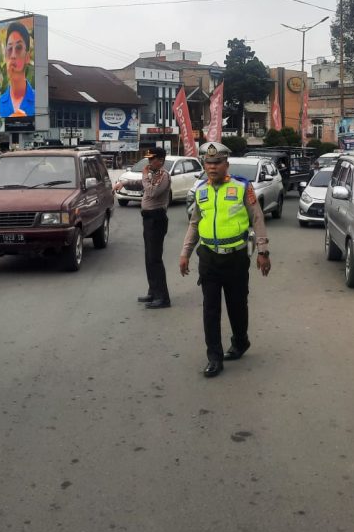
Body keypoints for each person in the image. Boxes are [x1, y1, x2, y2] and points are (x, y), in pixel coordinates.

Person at [179, 141, 271, 378]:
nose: (212, 167)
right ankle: (214, 357)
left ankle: (241, 341)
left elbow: (257, 218)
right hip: (209, 258)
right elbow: (194, 224)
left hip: (236, 258)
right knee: (210, 310)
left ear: (226, 164)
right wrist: (185, 253)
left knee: (237, 306)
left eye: (217, 163)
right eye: (208, 163)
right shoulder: (200, 189)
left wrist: (262, 252)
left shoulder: (243, 187)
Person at [114, 147, 173, 309]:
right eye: (148, 159)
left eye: (151, 159)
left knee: (155, 258)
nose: (148, 162)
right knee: (149, 258)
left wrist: (145, 176)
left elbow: (152, 191)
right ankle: (153, 291)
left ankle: (163, 298)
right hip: (148, 219)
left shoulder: (164, 176)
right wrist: (124, 183)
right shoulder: (152, 175)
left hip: (157, 219)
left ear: (160, 160)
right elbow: (140, 183)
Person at [0, 22, 36, 117]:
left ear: (27, 57)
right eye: (10, 49)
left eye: (18, 48)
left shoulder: (38, 100)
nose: (13, 55)